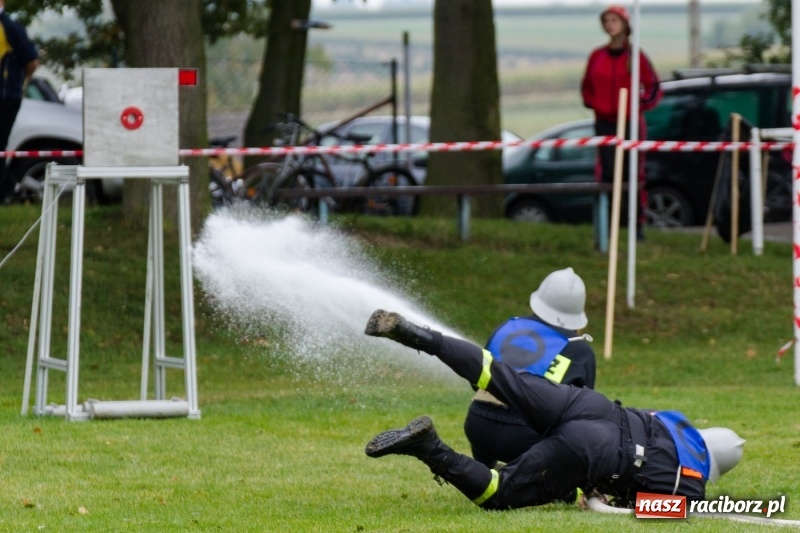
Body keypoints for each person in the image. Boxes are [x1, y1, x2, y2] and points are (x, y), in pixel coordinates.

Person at [363, 309, 745, 510]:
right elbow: (645, 508)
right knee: (499, 494)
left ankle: (418, 336)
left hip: (590, 406)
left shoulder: (673, 421)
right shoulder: (691, 489)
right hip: (595, 448)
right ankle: (428, 446)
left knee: (494, 371)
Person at [463, 268, 596, 472]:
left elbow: (476, 383)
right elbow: (586, 412)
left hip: (478, 428)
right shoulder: (578, 349)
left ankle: (485, 468)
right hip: (528, 443)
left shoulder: (507, 327)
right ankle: (556, 485)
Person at [580, 4, 661, 240]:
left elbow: (654, 87)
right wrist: (594, 103)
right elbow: (586, 87)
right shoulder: (597, 56)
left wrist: (639, 104)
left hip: (630, 123)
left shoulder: (635, 56)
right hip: (604, 123)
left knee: (632, 172)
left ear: (624, 24)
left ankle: (635, 225)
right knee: (606, 172)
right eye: (606, 21)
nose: (609, 24)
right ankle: (608, 225)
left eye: (614, 20)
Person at [0, 0, 39, 201]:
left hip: (6, 97)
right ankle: (8, 188)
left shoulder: (10, 27)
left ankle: (6, 191)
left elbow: (31, 60)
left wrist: (21, 83)